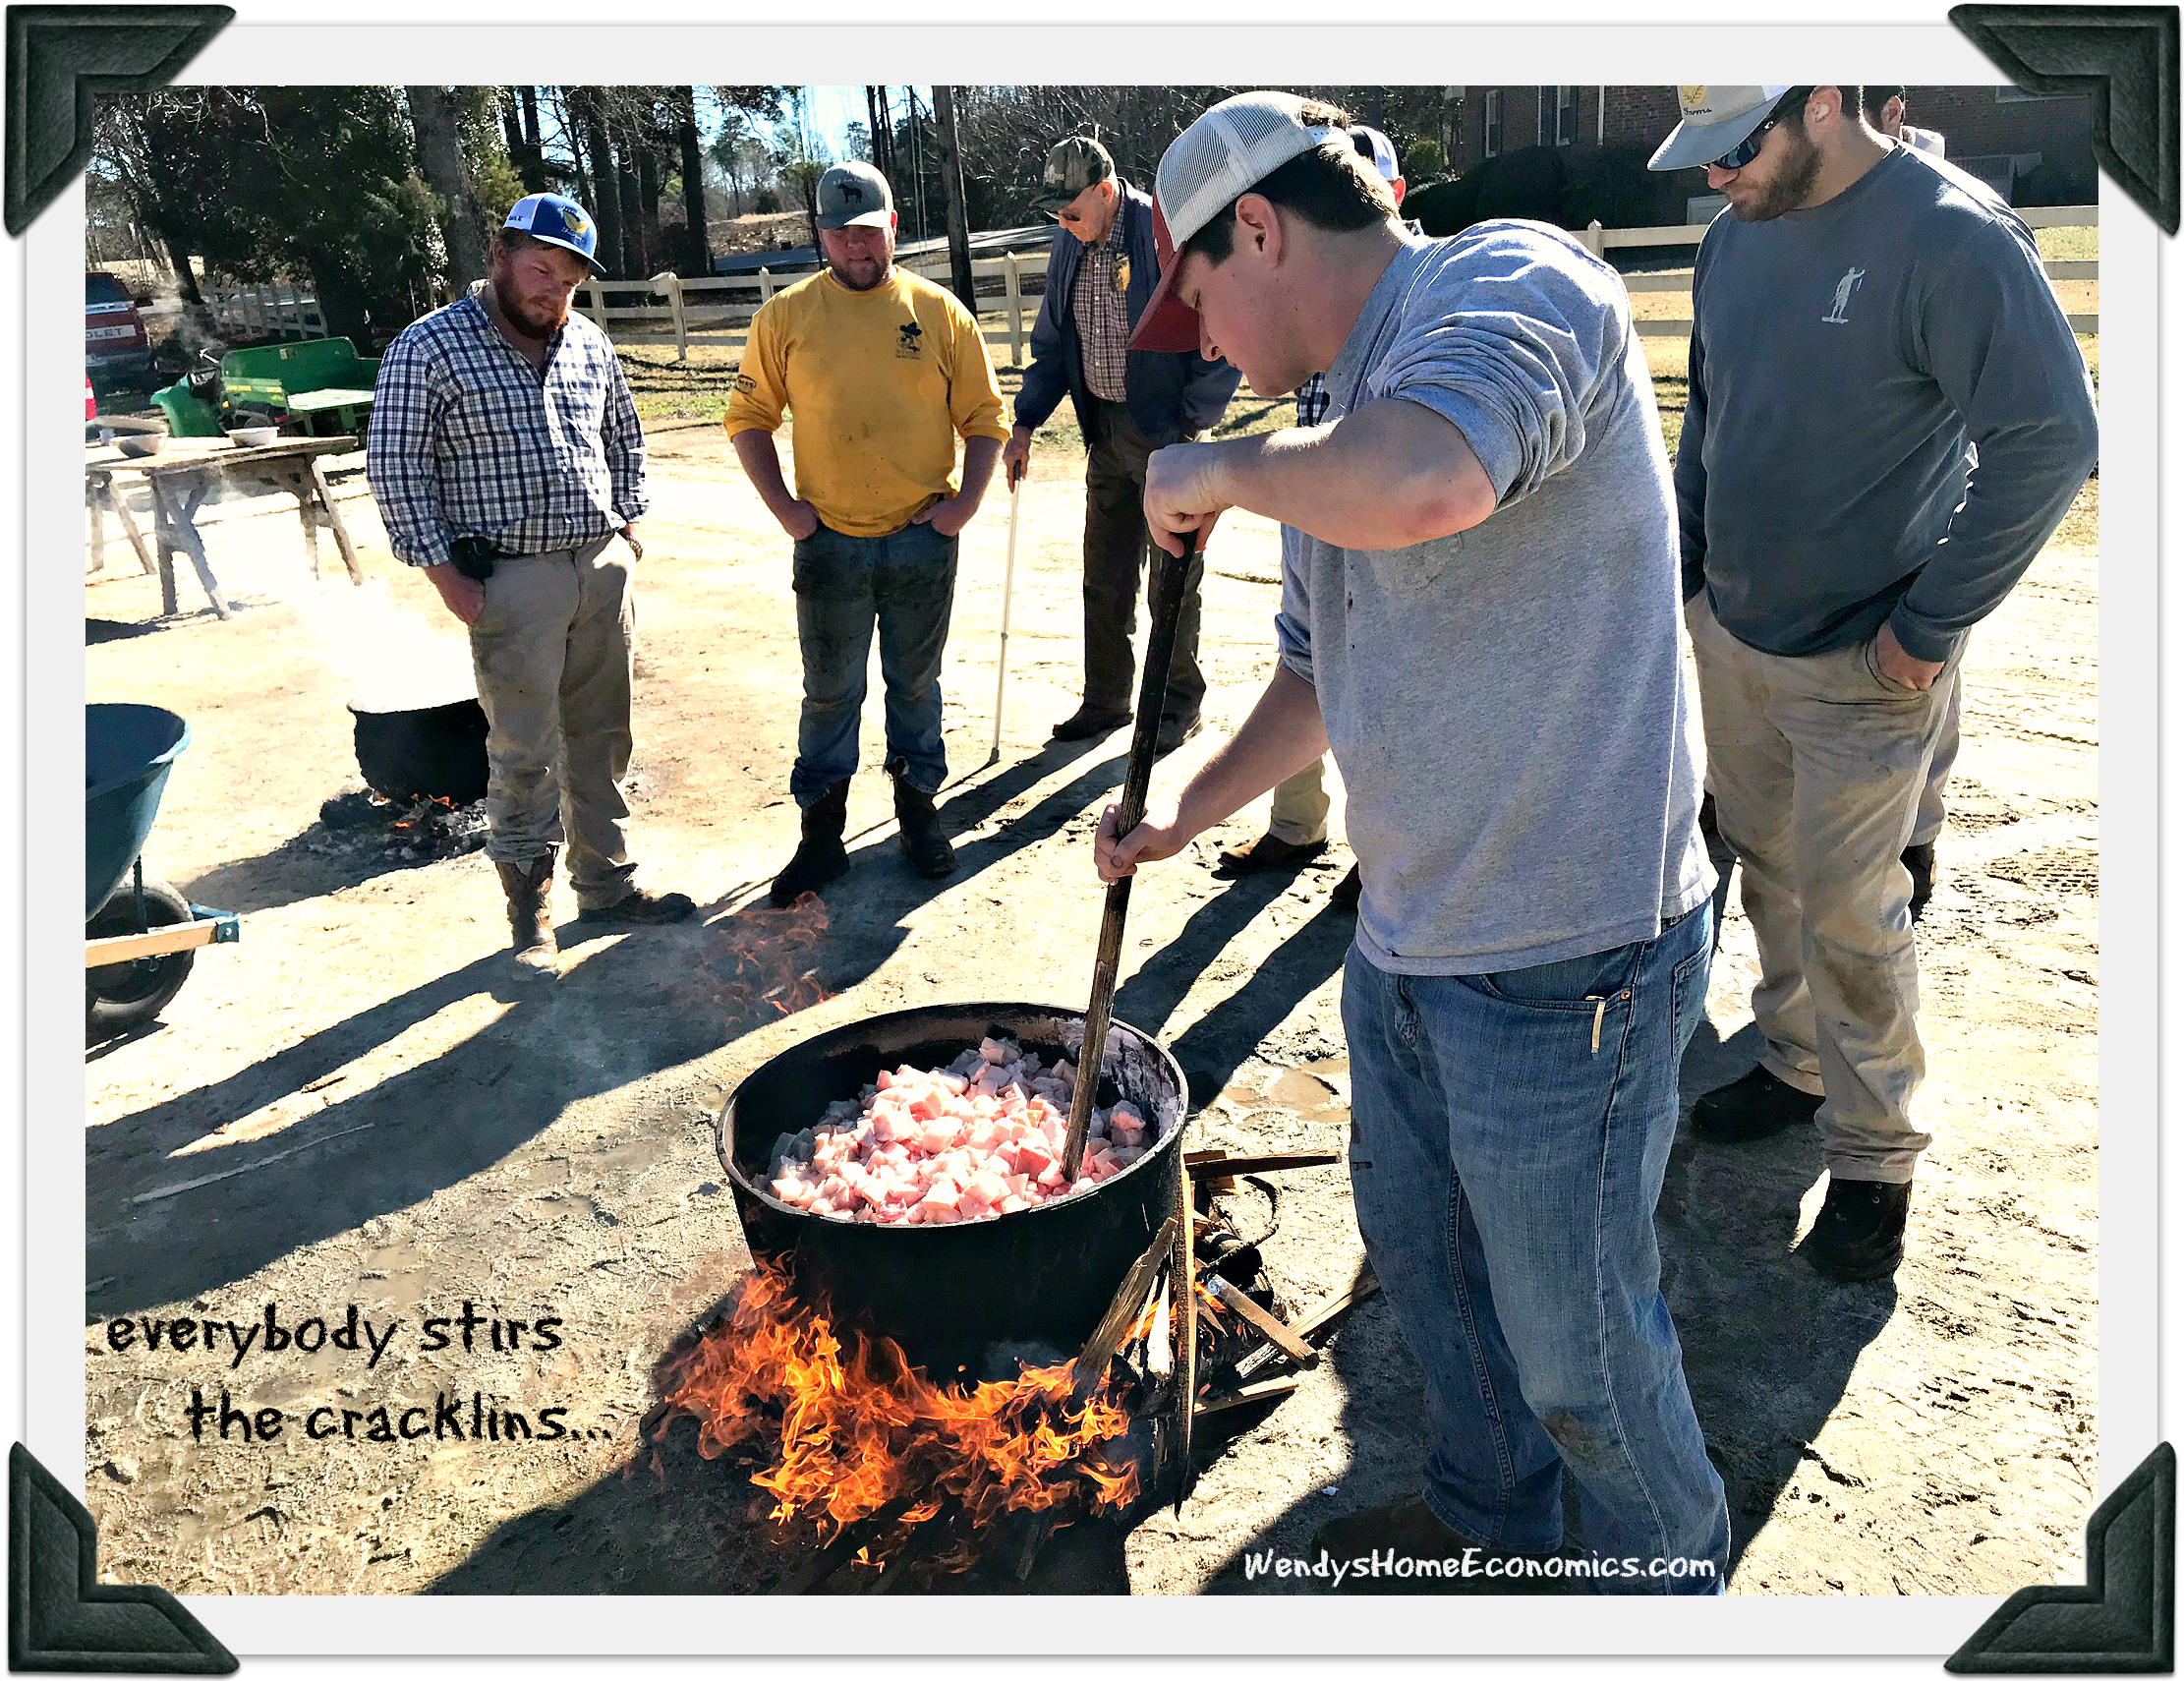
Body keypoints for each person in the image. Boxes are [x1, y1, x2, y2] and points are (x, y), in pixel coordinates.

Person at [1106, 91, 1727, 1591]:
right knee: (1436, 1288)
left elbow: (1432, 478)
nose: (1196, 337)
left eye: (1192, 290)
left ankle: (1665, 1580)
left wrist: (1226, 469)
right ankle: (1492, 1529)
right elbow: (1319, 673)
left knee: (1579, 1352)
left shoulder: (1506, 284)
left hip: (1569, 959)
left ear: (1255, 227)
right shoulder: (1328, 427)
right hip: (1408, 939)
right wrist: (1192, 800)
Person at [1648, 87, 2098, 1278]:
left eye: (1736, 150)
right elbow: (1711, 417)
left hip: (1865, 656)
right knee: (1763, 868)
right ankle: (1795, 1063)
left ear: (1827, 101)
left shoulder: (1949, 236)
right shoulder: (1734, 240)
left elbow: (2049, 439)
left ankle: (1874, 1156)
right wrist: (1688, 571)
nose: (1714, 179)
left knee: (1852, 910)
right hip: (1735, 632)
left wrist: (1929, 623)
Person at [369, 194, 693, 967]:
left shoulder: (587, 342)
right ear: (500, 256)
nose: (554, 291)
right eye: (541, 270)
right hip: (508, 578)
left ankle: (608, 886)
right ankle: (529, 911)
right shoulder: (430, 347)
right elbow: (395, 464)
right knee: (523, 748)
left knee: (603, 737)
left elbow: (624, 437)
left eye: (570, 279)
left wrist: (628, 530)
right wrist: (445, 575)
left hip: (599, 568)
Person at [724, 160, 1009, 906]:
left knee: (915, 683)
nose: (857, 247)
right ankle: (822, 837)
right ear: (821, 236)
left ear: (894, 228)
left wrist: (963, 507)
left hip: (921, 539)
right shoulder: (784, 317)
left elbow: (986, 420)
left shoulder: (939, 313)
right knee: (829, 692)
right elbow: (749, 418)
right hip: (829, 545)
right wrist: (787, 510)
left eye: (869, 231)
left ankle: (919, 815)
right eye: (841, 233)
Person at [1214, 124, 1409, 911]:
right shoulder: (1312, 326)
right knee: (1305, 660)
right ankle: (1299, 827)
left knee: (1381, 714)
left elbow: (1417, 481)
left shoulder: (1439, 312)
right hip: (1322, 568)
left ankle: (1379, 854)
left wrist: (1219, 470)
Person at [1001, 135, 1242, 756]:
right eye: (1057, 215)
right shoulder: (1069, 246)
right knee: (1104, 574)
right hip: (1103, 432)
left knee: (1174, 576)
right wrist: (1025, 421)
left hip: (1165, 433)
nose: (1064, 225)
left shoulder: (1164, 231)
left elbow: (1219, 322)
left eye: (1072, 212)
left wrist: (1188, 422)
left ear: (1106, 192)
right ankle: (1106, 699)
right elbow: (1054, 343)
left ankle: (1176, 703)